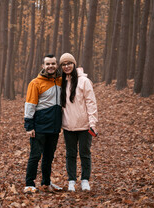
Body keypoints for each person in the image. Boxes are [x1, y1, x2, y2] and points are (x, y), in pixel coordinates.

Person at [23, 54, 63, 193]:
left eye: (53, 63)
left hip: (54, 127)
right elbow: (30, 104)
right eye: (48, 64)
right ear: (43, 66)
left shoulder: (60, 81)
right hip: (39, 126)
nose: (50, 66)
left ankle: (46, 182)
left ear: (56, 65)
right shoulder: (35, 83)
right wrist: (29, 126)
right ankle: (29, 184)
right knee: (35, 155)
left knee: (49, 157)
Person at [59, 53, 98, 192]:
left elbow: (91, 103)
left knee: (84, 153)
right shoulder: (61, 81)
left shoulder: (84, 81)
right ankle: (71, 180)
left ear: (74, 64)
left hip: (84, 125)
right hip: (68, 125)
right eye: (63, 64)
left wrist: (93, 123)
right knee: (70, 154)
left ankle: (85, 180)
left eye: (69, 63)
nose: (66, 66)